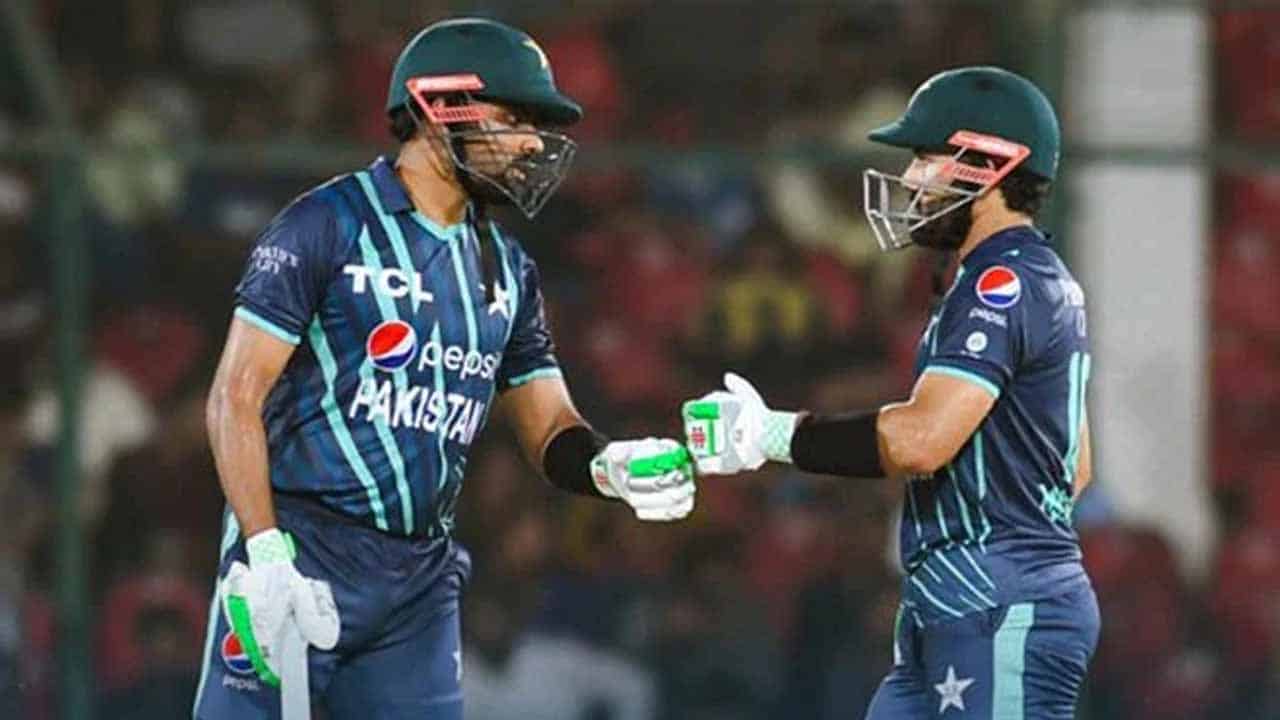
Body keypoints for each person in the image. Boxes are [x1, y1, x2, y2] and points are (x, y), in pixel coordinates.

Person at [193, 17, 696, 720]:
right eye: (514, 118)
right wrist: (264, 550)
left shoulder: (510, 270)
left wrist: (611, 467)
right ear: (439, 106)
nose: (531, 142)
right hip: (301, 546)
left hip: (419, 580)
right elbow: (234, 397)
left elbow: (550, 427)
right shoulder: (327, 224)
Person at [682, 66, 1098, 718]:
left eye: (926, 159)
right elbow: (1072, 468)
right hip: (965, 601)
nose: (910, 180)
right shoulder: (1020, 277)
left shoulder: (1002, 284)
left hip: (995, 604)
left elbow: (920, 441)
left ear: (989, 165)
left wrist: (769, 434)